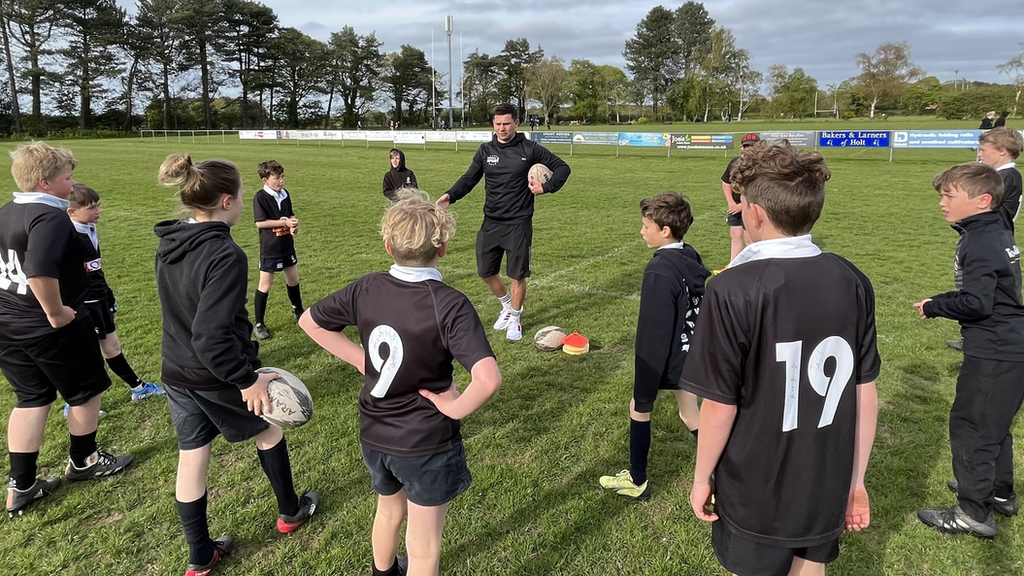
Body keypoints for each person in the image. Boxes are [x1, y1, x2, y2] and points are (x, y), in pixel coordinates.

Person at [680, 141, 880, 576]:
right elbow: (866, 391)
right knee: (810, 569)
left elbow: (718, 404)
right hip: (826, 480)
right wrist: (856, 480)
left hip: (757, 486)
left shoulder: (732, 288)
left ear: (754, 213)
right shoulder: (852, 279)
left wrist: (701, 478)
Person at [300, 190, 501, 576]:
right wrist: (453, 407)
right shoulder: (449, 303)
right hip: (425, 440)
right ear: (442, 249)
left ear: (388, 245)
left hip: (375, 433)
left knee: (389, 512)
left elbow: (310, 321)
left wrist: (362, 360)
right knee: (424, 543)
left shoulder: (366, 287)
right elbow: (488, 379)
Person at [155, 153, 318, 576]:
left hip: (175, 370)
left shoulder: (170, 240)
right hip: (213, 371)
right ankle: (290, 512)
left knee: (193, 456)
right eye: (243, 196)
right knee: (269, 427)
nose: (245, 202)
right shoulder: (225, 254)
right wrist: (246, 380)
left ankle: (200, 555)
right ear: (226, 201)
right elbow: (210, 335)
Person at [1, 142, 133, 517]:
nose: (72, 183)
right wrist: (58, 313)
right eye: (67, 177)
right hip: (48, 327)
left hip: (8, 326)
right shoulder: (49, 217)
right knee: (87, 391)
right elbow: (39, 270)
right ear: (45, 182)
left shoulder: (6, 211)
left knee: (31, 398)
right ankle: (84, 461)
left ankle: (22, 485)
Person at [914, 163, 1024, 539]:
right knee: (994, 425)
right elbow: (990, 293)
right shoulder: (994, 229)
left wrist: (936, 306)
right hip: (1011, 345)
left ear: (983, 200)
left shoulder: (978, 240)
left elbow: (977, 303)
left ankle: (972, 512)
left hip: (994, 350)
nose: (942, 203)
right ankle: (998, 492)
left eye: (949, 196)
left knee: (973, 427)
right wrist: (940, 299)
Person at [599, 192, 709, 500]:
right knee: (690, 414)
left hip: (667, 358)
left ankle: (637, 479)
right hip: (690, 353)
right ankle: (728, 472)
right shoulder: (690, 255)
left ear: (665, 231)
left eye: (646, 225)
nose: (641, 231)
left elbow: (654, 333)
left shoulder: (659, 271)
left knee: (639, 408)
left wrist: (646, 384)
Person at [437, 103, 571, 341]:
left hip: (519, 222)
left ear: (516, 123)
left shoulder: (530, 149)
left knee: (517, 275)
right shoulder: (485, 151)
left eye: (506, 123)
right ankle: (507, 306)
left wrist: (546, 187)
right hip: (491, 221)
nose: (502, 128)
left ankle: (516, 320)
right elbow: (470, 178)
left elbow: (563, 168)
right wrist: (450, 196)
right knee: (485, 272)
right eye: (498, 124)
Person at [64, 183, 164, 410]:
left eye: (98, 205)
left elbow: (95, 271)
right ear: (72, 212)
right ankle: (75, 402)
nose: (97, 211)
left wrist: (108, 296)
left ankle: (139, 388)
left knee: (112, 347)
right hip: (85, 304)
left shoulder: (88, 227)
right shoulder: (70, 237)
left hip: (98, 300)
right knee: (88, 354)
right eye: (91, 208)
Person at [947, 127, 1023, 352]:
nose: (980, 154)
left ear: (1001, 150)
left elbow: (982, 207)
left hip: (991, 243)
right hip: (995, 240)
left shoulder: (1005, 177)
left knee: (985, 294)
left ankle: (991, 340)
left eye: (983, 150)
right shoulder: (1006, 176)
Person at [252, 160, 302, 341]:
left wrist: (293, 225)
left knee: (293, 279)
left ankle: (298, 311)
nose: (281, 180)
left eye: (282, 176)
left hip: (286, 245)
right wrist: (284, 223)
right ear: (265, 180)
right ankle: (259, 323)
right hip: (270, 248)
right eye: (277, 178)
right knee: (265, 285)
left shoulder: (285, 194)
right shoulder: (260, 197)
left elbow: (290, 214)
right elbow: (260, 223)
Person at [722, 134, 759, 262]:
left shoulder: (761, 165)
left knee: (750, 238)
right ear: (741, 147)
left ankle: (752, 265)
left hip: (751, 205)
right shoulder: (734, 162)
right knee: (735, 235)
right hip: (735, 205)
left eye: (752, 146)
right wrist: (731, 202)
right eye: (746, 146)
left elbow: (759, 190)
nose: (748, 149)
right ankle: (733, 265)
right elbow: (726, 182)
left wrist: (742, 206)